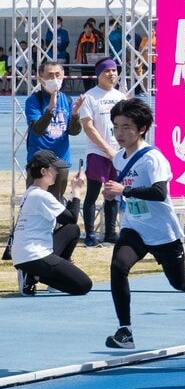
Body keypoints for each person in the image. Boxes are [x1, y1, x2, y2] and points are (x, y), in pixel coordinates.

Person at [103, 98, 185, 350]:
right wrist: (113, 193)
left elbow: (159, 192)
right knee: (118, 266)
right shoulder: (119, 159)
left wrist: (125, 190)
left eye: (126, 127)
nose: (120, 133)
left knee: (178, 281)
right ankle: (125, 331)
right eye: (116, 127)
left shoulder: (153, 158)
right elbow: (125, 190)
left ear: (142, 129)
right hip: (134, 227)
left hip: (163, 231)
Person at [12, 152, 91, 296]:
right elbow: (72, 217)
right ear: (43, 171)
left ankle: (39, 274)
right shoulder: (42, 196)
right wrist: (76, 191)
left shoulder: (31, 192)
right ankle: (34, 276)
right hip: (34, 255)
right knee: (84, 285)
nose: (57, 173)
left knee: (72, 230)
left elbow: (67, 222)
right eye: (54, 169)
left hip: (25, 252)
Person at [78, 58, 127, 246]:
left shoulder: (121, 97)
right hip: (98, 151)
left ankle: (110, 233)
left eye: (114, 70)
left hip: (118, 152)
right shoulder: (90, 97)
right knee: (93, 192)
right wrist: (106, 148)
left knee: (113, 192)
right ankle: (90, 234)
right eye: (107, 71)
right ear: (99, 74)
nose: (112, 74)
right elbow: (88, 127)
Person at [24, 59, 79, 199]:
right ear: (40, 78)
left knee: (56, 203)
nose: (54, 79)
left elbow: (74, 131)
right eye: (50, 75)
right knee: (35, 201)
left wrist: (75, 115)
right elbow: (37, 129)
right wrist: (50, 108)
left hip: (61, 161)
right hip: (39, 161)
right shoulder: (33, 101)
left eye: (57, 75)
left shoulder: (67, 100)